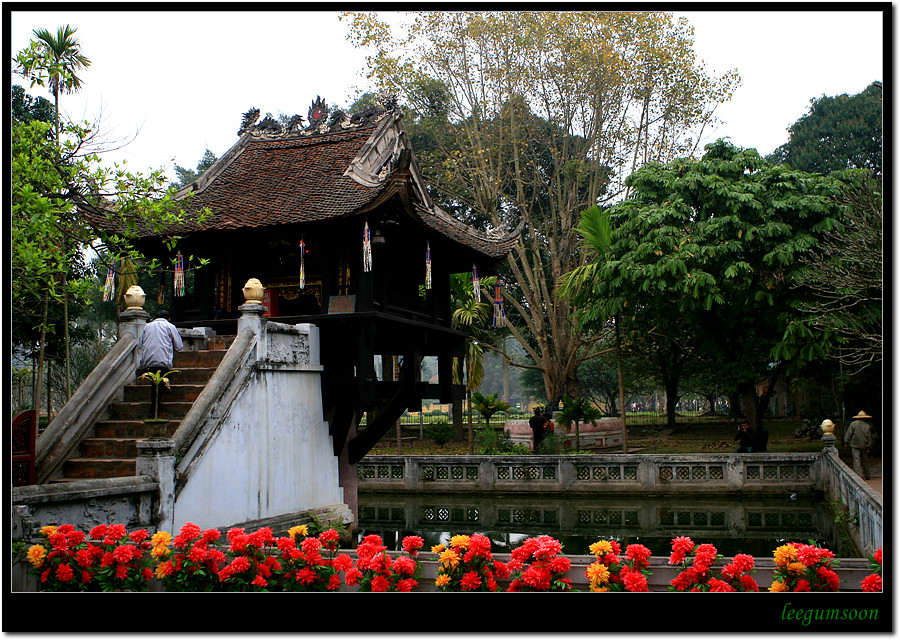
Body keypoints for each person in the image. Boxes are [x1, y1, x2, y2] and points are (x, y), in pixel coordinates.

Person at [139, 310, 183, 418]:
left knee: (154, 385)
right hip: (163, 362)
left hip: (148, 362)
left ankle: (153, 410)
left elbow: (140, 344)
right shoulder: (169, 326)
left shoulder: (147, 326)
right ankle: (154, 411)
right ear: (168, 319)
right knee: (158, 386)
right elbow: (179, 346)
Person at [844, 410, 875, 480]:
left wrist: (846, 442)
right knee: (865, 460)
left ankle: (858, 475)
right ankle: (867, 475)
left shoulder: (853, 424)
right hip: (864, 445)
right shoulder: (867, 426)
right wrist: (868, 446)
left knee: (856, 460)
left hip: (855, 444)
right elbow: (869, 437)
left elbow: (849, 434)